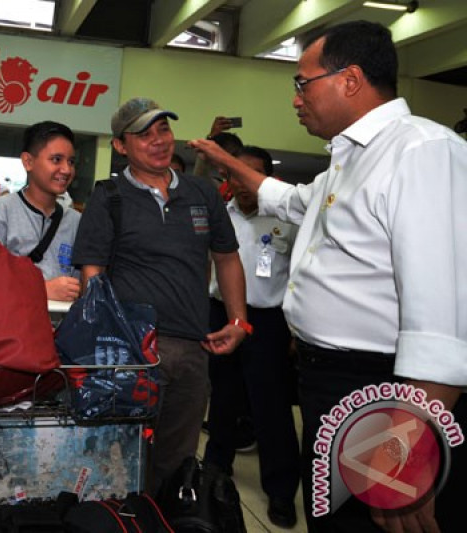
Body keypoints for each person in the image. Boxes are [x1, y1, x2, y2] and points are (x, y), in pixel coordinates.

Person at [190, 20, 467, 533]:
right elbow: (288, 200)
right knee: (333, 521)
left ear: (351, 79)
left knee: (373, 520)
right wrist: (226, 161)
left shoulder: (420, 152)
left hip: (385, 393)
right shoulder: (347, 161)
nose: (296, 98)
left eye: (302, 83)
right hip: (328, 385)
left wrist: (402, 447)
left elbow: (444, 320)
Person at [72, 97, 249, 494]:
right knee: (114, 460)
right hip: (129, 353)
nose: (158, 141)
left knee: (176, 463)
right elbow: (92, 274)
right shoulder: (109, 196)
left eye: (163, 130)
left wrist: (238, 320)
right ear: (120, 146)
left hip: (192, 348)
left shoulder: (202, 193)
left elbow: (226, 256)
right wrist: (99, 353)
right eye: (144, 134)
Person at [204, 145, 300, 529]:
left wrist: (294, 329)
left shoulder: (286, 220)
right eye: (236, 174)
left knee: (271, 406)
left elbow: (299, 276)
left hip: (267, 322)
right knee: (223, 399)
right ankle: (214, 472)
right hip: (221, 314)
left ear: (268, 179)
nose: (243, 182)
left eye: (252, 174)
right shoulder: (219, 217)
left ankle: (280, 492)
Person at [0, 121, 81, 302]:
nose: (66, 170)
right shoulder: (0, 212)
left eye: (71, 161)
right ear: (28, 161)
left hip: (62, 328)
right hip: (10, 325)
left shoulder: (76, 222)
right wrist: (41, 289)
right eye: (56, 159)